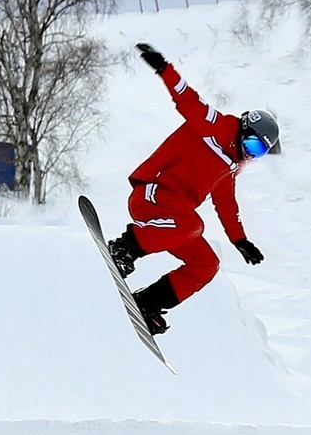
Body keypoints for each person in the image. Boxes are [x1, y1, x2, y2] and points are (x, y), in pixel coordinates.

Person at [108, 43, 279, 336]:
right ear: (243, 129)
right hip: (152, 195)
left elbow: (227, 204)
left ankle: (147, 303)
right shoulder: (214, 126)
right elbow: (187, 98)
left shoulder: (232, 166)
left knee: (206, 263)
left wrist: (240, 241)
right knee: (194, 224)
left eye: (259, 153)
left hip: (175, 223)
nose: (250, 155)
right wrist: (164, 68)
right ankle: (124, 248)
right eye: (252, 145)